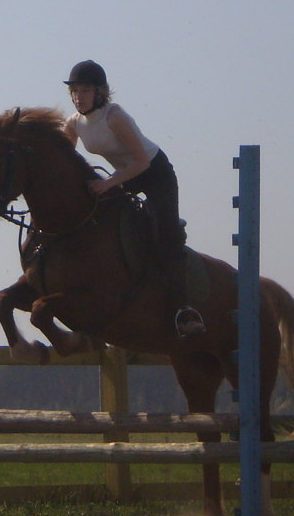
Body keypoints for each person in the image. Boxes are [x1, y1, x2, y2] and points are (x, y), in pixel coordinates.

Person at [62, 59, 205, 338]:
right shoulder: (73, 123)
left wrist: (107, 183)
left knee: (167, 236)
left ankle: (183, 310)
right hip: (123, 175)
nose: (79, 97)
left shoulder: (115, 117)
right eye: (75, 91)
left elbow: (141, 163)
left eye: (85, 90)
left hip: (155, 173)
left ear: (100, 92)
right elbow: (66, 159)